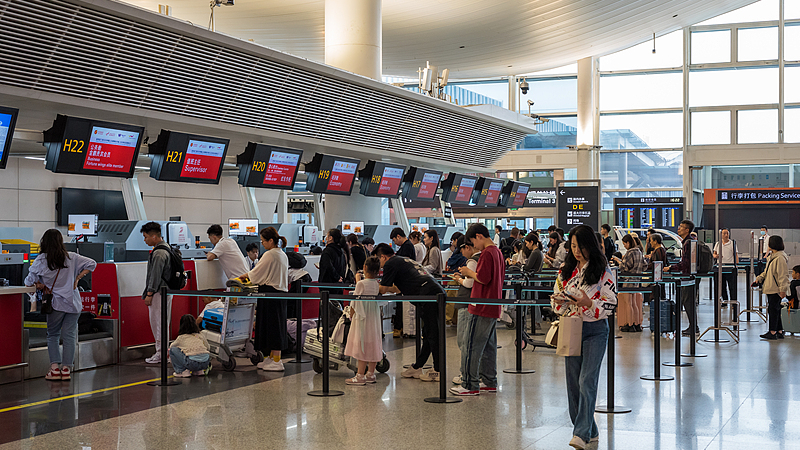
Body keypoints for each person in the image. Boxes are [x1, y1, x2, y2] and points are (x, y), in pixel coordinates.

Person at [550, 225, 617, 449]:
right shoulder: (565, 270)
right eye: (573, 246)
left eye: (581, 246)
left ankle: (580, 434)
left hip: (596, 329)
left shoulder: (602, 269)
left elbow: (610, 301)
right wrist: (561, 303)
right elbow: (554, 299)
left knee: (586, 380)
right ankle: (591, 430)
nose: (576, 251)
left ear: (591, 246)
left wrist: (588, 303)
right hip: (572, 327)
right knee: (573, 384)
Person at [24, 229, 96, 381]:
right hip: (74, 303)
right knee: (69, 336)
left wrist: (40, 284)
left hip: (55, 303)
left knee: (53, 335)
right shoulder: (71, 257)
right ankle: (66, 369)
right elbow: (92, 263)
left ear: (44, 242)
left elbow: (28, 281)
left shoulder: (42, 260)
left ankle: (54, 369)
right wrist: (78, 278)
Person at [374, 243, 446, 382]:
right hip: (434, 290)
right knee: (428, 333)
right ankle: (418, 366)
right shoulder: (402, 259)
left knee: (432, 334)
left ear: (383, 257)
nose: (380, 264)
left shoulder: (390, 264)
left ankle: (438, 370)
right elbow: (396, 289)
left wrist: (368, 284)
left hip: (428, 295)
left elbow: (383, 289)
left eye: (378, 260)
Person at [450, 223, 504, 396]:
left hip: (480, 304)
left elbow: (483, 278)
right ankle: (489, 381)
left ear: (479, 236)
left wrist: (468, 272)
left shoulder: (487, 253)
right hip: (492, 305)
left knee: (471, 346)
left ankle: (469, 384)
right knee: (488, 347)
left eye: (473, 241)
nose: (474, 246)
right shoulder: (498, 251)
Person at [245, 227, 290, 370]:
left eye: (263, 241)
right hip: (279, 293)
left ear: (271, 240)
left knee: (272, 327)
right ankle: (271, 358)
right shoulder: (282, 254)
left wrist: (242, 277)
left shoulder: (270, 255)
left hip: (270, 293)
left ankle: (276, 361)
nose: (262, 244)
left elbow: (256, 273)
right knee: (273, 325)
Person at [344, 256, 384, 385]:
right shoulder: (376, 284)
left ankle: (360, 375)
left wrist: (357, 280)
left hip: (363, 317)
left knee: (362, 343)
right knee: (373, 342)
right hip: (374, 315)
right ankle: (371, 374)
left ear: (365, 268)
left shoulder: (361, 283)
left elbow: (356, 300)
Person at [140, 221, 175, 364]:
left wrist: (149, 294)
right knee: (163, 322)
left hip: (159, 293)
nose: (145, 240)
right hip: (166, 291)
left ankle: (160, 353)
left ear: (154, 236)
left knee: (158, 323)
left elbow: (155, 276)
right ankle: (163, 352)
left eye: (146, 237)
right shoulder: (167, 248)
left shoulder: (159, 253)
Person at [450, 235, 480, 385]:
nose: (461, 253)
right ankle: (473, 373)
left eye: (461, 249)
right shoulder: (482, 257)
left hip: (466, 303)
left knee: (463, 340)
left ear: (467, 247)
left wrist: (458, 279)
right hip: (472, 303)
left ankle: (465, 374)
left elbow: (469, 284)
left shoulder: (472, 261)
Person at [666, 220, 699, 336]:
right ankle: (693, 326)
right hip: (690, 275)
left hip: (687, 276)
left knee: (688, 302)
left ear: (687, 230)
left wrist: (670, 268)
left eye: (681, 227)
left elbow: (685, 263)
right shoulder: (689, 241)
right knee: (688, 302)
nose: (678, 228)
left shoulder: (688, 243)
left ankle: (694, 327)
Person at [754, 235, 789, 340]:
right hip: (771, 287)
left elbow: (782, 275)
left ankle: (772, 331)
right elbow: (767, 271)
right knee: (776, 309)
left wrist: (783, 289)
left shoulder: (780, 258)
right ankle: (779, 330)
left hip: (775, 288)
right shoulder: (772, 256)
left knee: (773, 310)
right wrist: (759, 278)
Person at [612, 235, 644, 332]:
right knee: (634, 303)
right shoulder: (639, 252)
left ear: (628, 243)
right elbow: (645, 265)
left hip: (628, 280)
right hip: (636, 280)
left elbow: (625, 267)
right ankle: (637, 324)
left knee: (628, 303)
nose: (624, 246)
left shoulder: (630, 253)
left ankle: (630, 324)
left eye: (624, 244)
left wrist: (619, 262)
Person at [389, 227, 416, 337]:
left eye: (395, 240)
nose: (395, 242)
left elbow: (403, 264)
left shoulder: (407, 246)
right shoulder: (407, 246)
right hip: (405, 280)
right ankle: (399, 327)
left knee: (401, 305)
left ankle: (399, 328)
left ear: (399, 236)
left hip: (406, 280)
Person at [712, 228, 739, 307]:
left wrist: (736, 265)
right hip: (720, 267)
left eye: (727, 233)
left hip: (730, 267)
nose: (726, 235)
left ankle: (733, 303)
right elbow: (714, 253)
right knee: (722, 286)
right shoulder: (718, 244)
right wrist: (715, 256)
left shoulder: (732, 243)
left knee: (732, 286)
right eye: (724, 233)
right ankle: (724, 302)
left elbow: (736, 254)